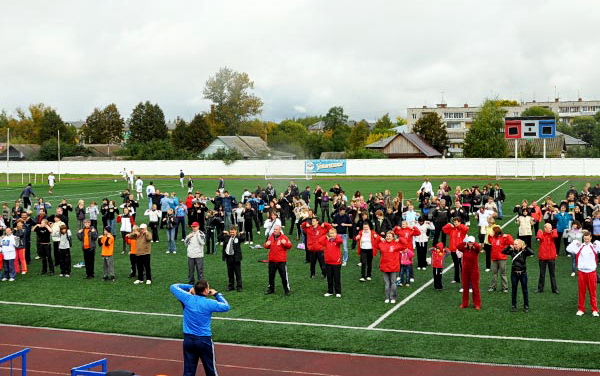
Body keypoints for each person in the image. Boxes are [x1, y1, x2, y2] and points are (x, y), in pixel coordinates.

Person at [170, 280, 230, 376]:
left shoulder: (187, 298)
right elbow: (226, 306)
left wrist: (190, 287)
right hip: (204, 340)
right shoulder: (209, 303)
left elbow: (173, 286)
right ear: (206, 290)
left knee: (188, 371)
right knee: (210, 369)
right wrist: (217, 294)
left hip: (188, 340)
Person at [566, 231, 600, 316]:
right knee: (581, 291)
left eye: (588, 239)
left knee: (593, 292)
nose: (586, 240)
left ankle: (595, 310)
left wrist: (598, 242)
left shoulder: (595, 246)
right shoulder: (579, 246)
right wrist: (574, 242)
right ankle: (581, 309)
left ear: (591, 238)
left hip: (591, 272)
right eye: (585, 239)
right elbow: (568, 249)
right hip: (581, 272)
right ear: (583, 238)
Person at [503, 239, 534, 313]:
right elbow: (503, 252)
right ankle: (514, 306)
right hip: (514, 273)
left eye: (516, 244)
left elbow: (532, 253)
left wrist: (525, 248)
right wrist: (508, 247)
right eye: (514, 244)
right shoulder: (512, 251)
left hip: (523, 273)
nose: (514, 245)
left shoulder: (524, 252)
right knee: (514, 290)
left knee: (525, 290)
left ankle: (526, 306)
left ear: (520, 244)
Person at [264, 225, 292, 296]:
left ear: (280, 230)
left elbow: (289, 245)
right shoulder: (271, 237)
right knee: (271, 276)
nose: (275, 230)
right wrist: (266, 245)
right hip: (272, 260)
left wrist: (284, 243)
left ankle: (286, 290)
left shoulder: (284, 237)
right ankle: (271, 289)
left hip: (281, 261)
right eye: (274, 229)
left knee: (283, 276)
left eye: (276, 229)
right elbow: (266, 245)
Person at [376, 231, 402, 303]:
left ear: (393, 237)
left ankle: (393, 297)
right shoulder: (382, 244)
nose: (388, 237)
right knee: (387, 284)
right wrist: (379, 238)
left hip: (393, 267)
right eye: (387, 236)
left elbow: (405, 245)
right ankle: (387, 297)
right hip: (384, 266)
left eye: (390, 236)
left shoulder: (396, 244)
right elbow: (375, 244)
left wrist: (400, 239)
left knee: (393, 282)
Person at [457, 236, 482, 310]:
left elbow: (478, 247)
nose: (470, 243)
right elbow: (458, 246)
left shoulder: (475, 249)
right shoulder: (464, 248)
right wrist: (465, 242)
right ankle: (465, 303)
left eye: (471, 242)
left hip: (474, 270)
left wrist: (473, 244)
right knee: (465, 287)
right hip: (465, 270)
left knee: (475, 287)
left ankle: (477, 304)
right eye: (469, 242)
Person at [442, 217, 469, 285]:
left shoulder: (462, 230)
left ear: (460, 222)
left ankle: (464, 278)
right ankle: (456, 278)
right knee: (456, 264)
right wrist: (448, 224)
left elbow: (466, 228)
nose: (455, 223)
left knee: (461, 265)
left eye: (456, 222)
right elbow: (444, 229)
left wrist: (459, 226)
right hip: (453, 250)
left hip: (460, 250)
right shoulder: (451, 229)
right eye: (454, 222)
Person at [488, 225, 513, 293]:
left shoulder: (504, 237)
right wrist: (489, 236)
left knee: (503, 273)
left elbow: (511, 242)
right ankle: (493, 287)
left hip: (502, 258)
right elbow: (489, 241)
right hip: (494, 258)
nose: (491, 232)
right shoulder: (493, 238)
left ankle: (505, 287)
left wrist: (507, 236)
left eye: (493, 231)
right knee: (494, 273)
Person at [219, 225, 244, 292]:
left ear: (236, 231)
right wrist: (223, 232)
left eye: (233, 232)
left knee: (237, 272)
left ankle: (239, 286)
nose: (232, 233)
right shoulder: (227, 237)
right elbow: (219, 237)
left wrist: (241, 234)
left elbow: (243, 239)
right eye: (231, 232)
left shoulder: (238, 238)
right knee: (230, 272)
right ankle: (231, 286)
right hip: (228, 257)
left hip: (236, 258)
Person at [536, 223, 559, 294]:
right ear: (545, 228)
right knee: (542, 274)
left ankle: (554, 289)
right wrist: (539, 231)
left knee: (552, 274)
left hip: (551, 257)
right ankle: (540, 288)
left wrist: (554, 230)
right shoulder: (542, 234)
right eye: (549, 228)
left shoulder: (552, 234)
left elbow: (555, 235)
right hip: (543, 258)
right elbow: (538, 237)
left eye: (551, 228)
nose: (551, 229)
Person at [322, 228, 343, 297]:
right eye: (330, 233)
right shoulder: (327, 241)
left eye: (333, 233)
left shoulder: (337, 241)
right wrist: (325, 237)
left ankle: (338, 292)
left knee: (337, 277)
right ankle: (330, 291)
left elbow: (340, 240)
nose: (332, 235)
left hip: (336, 262)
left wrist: (335, 237)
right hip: (328, 262)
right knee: (329, 278)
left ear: (336, 234)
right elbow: (320, 241)